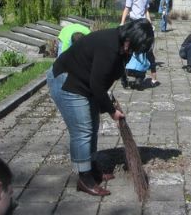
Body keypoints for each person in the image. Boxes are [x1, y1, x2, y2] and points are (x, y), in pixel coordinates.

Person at [46, 19, 154, 196]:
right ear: (129, 36)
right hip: (67, 82)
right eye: (133, 46)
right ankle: (84, 178)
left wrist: (108, 102)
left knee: (93, 126)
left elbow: (103, 78)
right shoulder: (109, 46)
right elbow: (97, 84)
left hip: (85, 82)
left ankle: (92, 167)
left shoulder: (123, 46)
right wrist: (112, 112)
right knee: (82, 129)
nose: (132, 51)